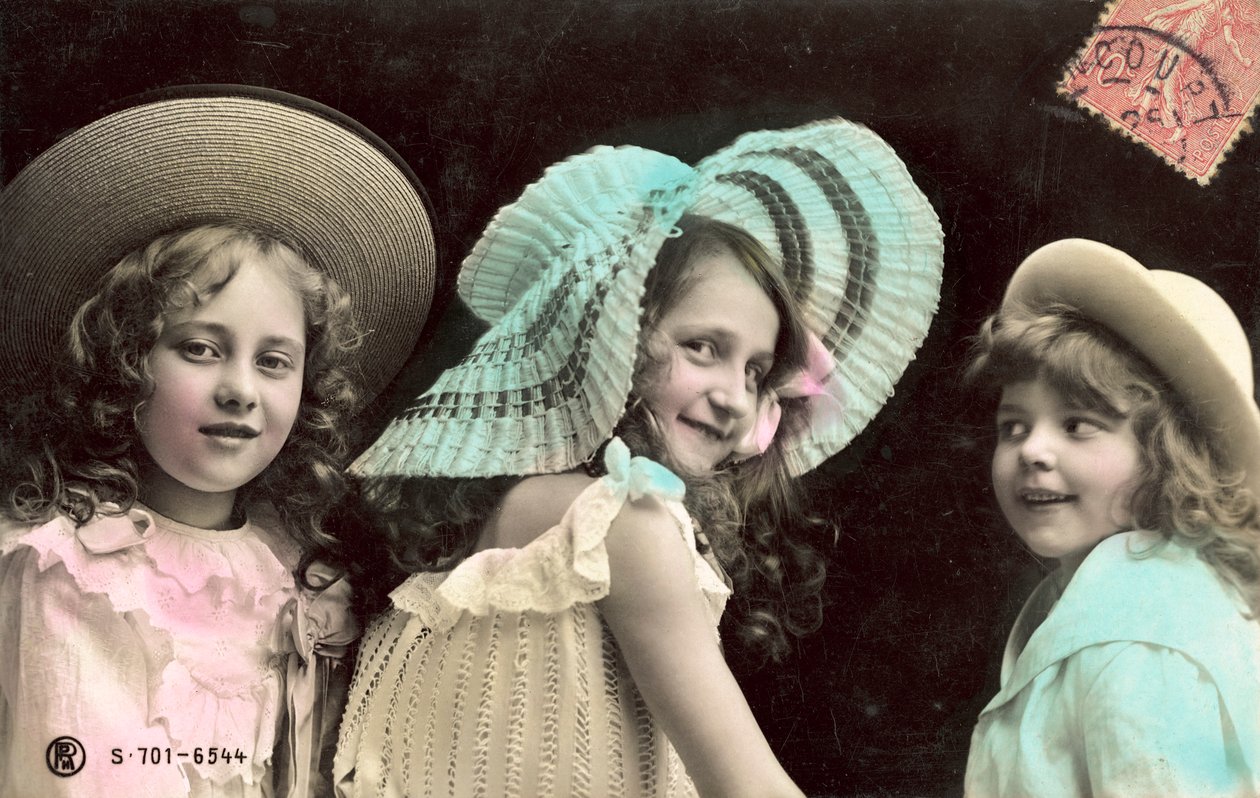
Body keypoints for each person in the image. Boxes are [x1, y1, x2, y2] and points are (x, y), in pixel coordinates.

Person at [332, 119, 944, 797]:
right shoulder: (622, 522)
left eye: (756, 372)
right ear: (609, 336)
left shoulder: (512, 515)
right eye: (704, 347)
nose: (736, 399)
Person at [0, 86, 436, 798]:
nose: (241, 389)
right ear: (124, 359)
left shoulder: (288, 563)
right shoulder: (75, 571)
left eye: (273, 361)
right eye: (201, 349)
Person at [963, 239, 1260, 796]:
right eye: (1014, 426)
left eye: (1077, 424)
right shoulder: (1104, 599)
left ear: (1169, 454)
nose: (1032, 451)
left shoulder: (1141, 636)